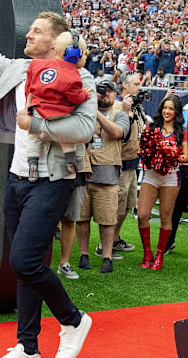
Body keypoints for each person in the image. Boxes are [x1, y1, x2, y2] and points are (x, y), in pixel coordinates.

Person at [0, 0, 95, 358]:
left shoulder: (80, 79)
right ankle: (27, 346)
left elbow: (84, 129)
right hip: (17, 180)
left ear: (56, 41)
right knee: (26, 267)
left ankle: (74, 320)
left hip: (52, 181)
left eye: (36, 31)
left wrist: (36, 125)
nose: (28, 34)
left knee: (25, 261)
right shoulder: (19, 69)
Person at [76, 80, 130, 273]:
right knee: (81, 218)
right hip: (83, 171)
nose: (105, 94)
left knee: (107, 220)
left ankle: (107, 256)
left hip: (107, 175)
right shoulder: (83, 111)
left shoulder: (121, 115)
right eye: (101, 91)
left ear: (115, 95)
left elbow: (116, 132)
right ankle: (83, 255)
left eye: (109, 91)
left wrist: (95, 112)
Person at [25, 31, 90, 182]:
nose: (85, 57)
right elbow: (76, 97)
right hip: (59, 113)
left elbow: (29, 86)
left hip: (38, 110)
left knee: (34, 137)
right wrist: (85, 94)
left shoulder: (36, 64)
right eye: (84, 54)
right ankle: (70, 161)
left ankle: (32, 165)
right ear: (74, 55)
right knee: (66, 136)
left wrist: (29, 101)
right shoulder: (73, 76)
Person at [137, 95, 188, 270]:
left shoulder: (182, 131)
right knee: (143, 214)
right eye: (165, 108)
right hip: (151, 175)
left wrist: (169, 152)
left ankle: (159, 254)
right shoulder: (152, 127)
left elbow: (185, 157)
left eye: (171, 109)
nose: (167, 111)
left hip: (171, 176)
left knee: (166, 217)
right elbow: (141, 149)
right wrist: (150, 151)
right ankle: (147, 252)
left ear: (177, 112)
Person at [112, 71, 144, 254]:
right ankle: (105, 243)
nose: (139, 87)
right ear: (125, 85)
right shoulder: (117, 105)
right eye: (136, 84)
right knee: (117, 204)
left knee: (127, 204)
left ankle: (115, 238)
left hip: (133, 162)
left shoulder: (136, 107)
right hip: (120, 162)